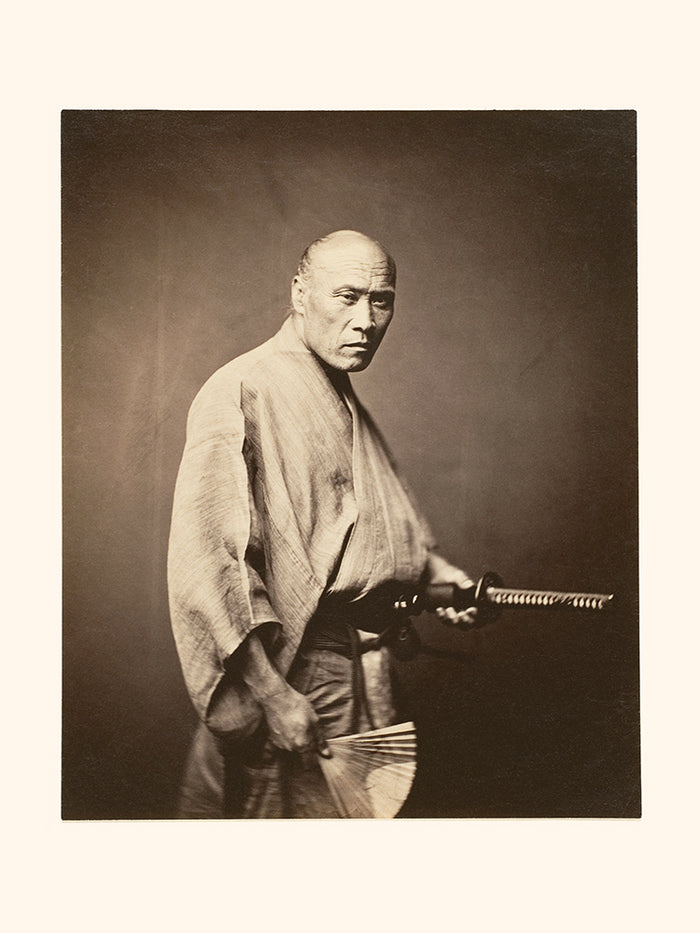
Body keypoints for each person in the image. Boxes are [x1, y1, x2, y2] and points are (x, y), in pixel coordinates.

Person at [168, 230, 478, 818]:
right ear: (300, 293)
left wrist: (445, 578)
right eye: (346, 296)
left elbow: (381, 527)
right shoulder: (241, 388)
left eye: (381, 300)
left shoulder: (340, 393)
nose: (365, 319)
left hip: (362, 665)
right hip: (293, 668)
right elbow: (214, 566)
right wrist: (272, 694)